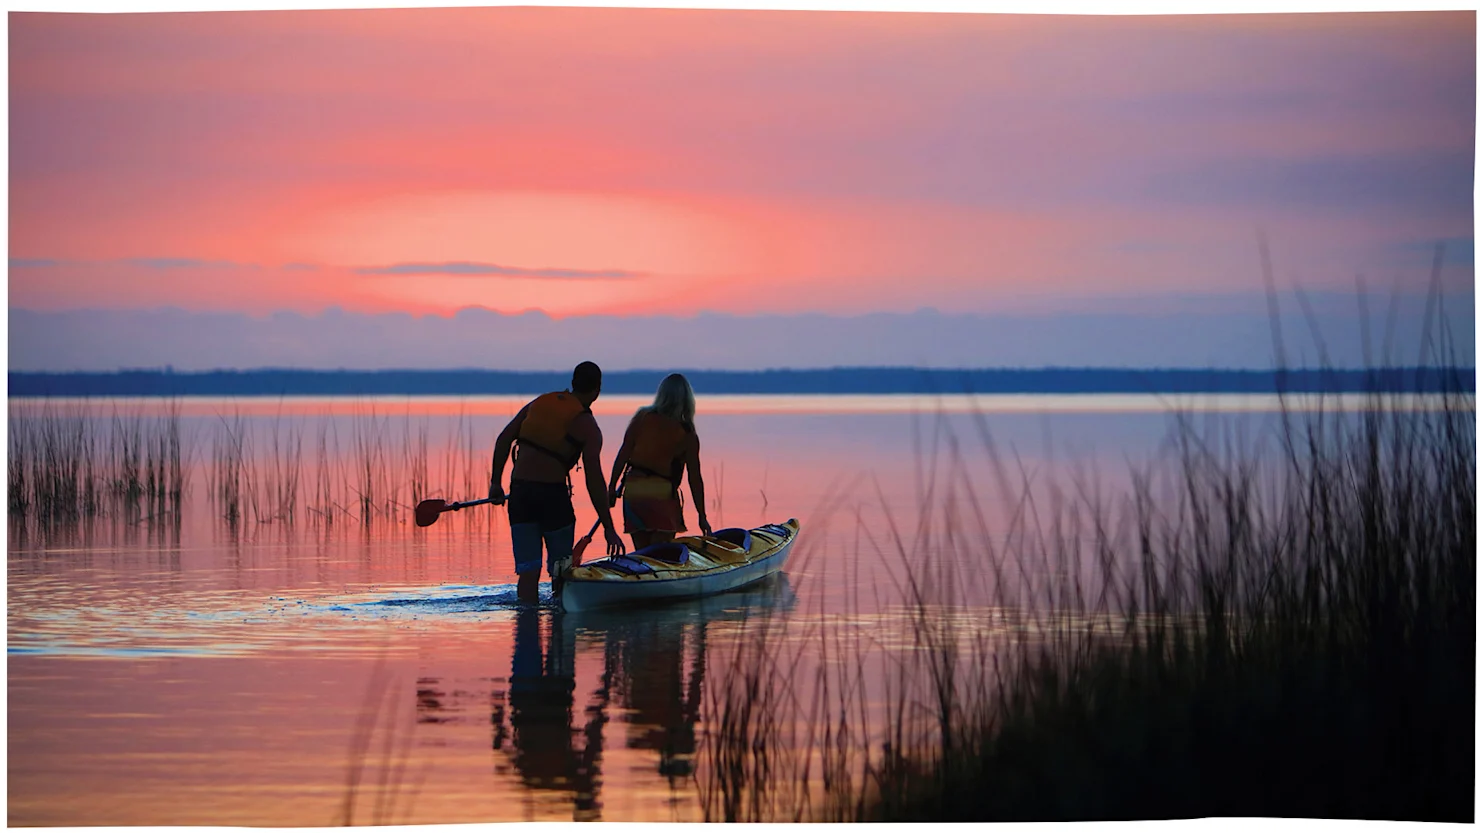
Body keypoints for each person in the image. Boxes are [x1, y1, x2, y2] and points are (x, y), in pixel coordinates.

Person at [489, 361, 624, 603]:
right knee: (561, 573)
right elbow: (594, 480)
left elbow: (503, 439)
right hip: (553, 498)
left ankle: (526, 627)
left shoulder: (539, 403)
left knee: (528, 572)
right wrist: (608, 527)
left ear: (573, 383)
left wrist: (496, 484)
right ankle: (558, 628)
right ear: (597, 390)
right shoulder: (588, 426)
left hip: (520, 494)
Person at [607, 373, 712, 551]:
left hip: (634, 493)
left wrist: (611, 487)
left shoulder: (641, 417)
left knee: (641, 554)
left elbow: (623, 455)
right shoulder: (687, 433)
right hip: (661, 496)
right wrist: (702, 515)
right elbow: (694, 479)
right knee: (660, 555)